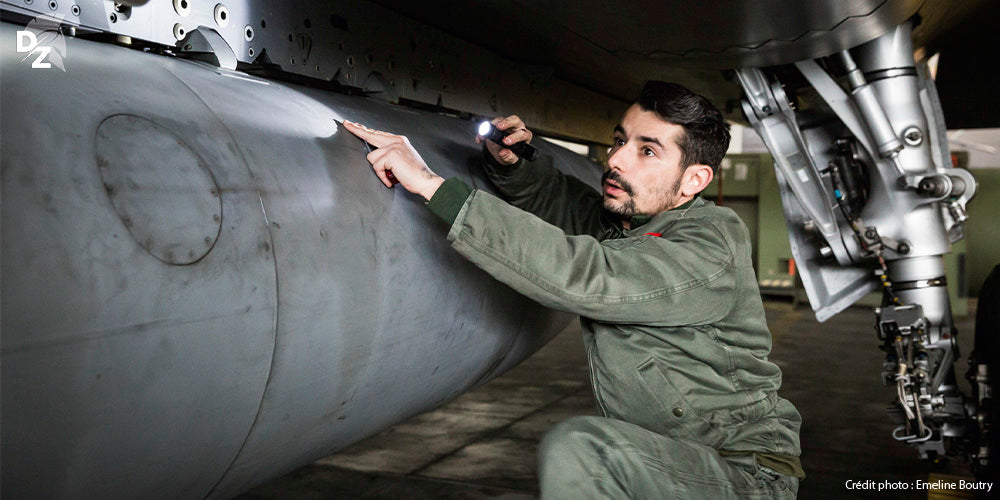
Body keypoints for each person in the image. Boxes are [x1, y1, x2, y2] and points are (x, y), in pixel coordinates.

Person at [343, 81, 803, 499]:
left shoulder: (707, 243)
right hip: (669, 460)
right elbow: (570, 205)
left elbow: (585, 272)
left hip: (742, 474)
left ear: (694, 180)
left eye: (647, 151)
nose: (616, 158)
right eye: (621, 140)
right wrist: (515, 163)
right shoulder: (636, 225)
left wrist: (431, 185)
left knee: (585, 451)